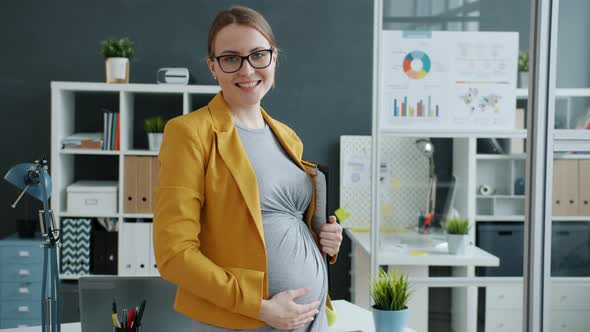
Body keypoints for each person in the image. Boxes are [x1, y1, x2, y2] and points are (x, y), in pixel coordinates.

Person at [153, 5, 343, 331]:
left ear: (274, 58)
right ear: (213, 66)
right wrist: (259, 307)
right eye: (230, 58)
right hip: (242, 322)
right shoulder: (189, 133)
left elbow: (275, 222)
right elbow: (174, 255)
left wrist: (324, 238)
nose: (247, 69)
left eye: (258, 55)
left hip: (307, 321)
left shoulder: (287, 137)